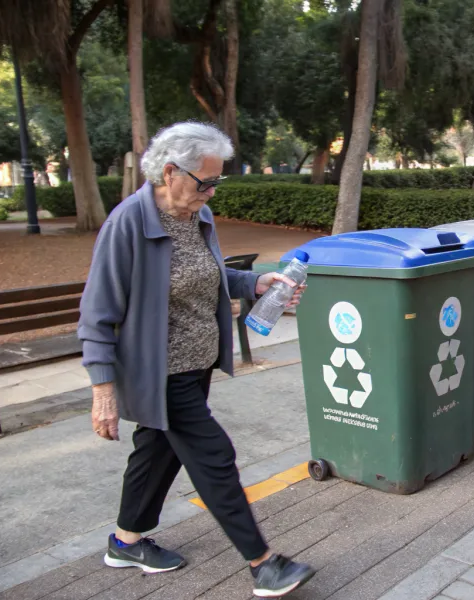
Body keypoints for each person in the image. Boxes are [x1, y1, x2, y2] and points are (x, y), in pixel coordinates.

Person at [78, 121, 314, 598]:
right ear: (170, 172)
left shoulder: (196, 217)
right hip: (159, 372)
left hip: (197, 363)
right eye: (204, 181)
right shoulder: (129, 223)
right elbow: (97, 313)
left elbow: (205, 278)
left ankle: (125, 542)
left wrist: (254, 284)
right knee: (214, 457)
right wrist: (102, 390)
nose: (211, 190)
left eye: (217, 181)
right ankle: (263, 564)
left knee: (157, 452)